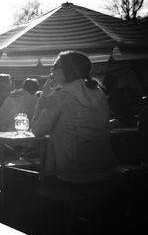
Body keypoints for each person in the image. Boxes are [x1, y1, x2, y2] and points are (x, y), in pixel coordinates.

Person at [32, 51, 117, 185]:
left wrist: (44, 95)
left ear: (67, 69)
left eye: (54, 67)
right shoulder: (99, 93)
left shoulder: (61, 96)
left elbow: (37, 130)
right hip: (106, 168)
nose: (51, 72)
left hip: (72, 173)